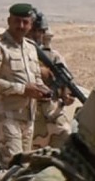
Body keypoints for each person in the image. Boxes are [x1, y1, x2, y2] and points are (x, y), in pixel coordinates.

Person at [0, 2, 50, 165]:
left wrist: (41, 90)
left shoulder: (30, 48)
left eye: (25, 22)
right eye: (17, 21)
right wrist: (22, 89)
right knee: (13, 165)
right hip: (6, 113)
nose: (21, 26)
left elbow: (35, 77)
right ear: (9, 21)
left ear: (31, 24)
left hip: (28, 115)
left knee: (25, 167)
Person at [27, 10, 75, 149]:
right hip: (31, 116)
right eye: (34, 30)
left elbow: (67, 84)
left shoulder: (53, 57)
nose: (37, 35)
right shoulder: (22, 55)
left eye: (40, 31)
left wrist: (67, 96)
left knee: (66, 151)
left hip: (53, 115)